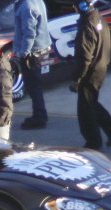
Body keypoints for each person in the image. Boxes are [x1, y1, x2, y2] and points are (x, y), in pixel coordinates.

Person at [70, 0, 111, 150]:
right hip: (100, 67)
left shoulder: (87, 23)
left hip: (90, 72)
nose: (74, 8)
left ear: (82, 6)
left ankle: (93, 143)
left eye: (75, 5)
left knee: (85, 110)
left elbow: (85, 56)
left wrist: (77, 79)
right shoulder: (98, 17)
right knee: (92, 103)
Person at [13, 0, 51, 129]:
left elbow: (29, 32)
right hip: (37, 50)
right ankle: (39, 115)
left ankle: (40, 117)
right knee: (34, 86)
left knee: (33, 86)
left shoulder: (27, 6)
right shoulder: (36, 2)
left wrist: (24, 52)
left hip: (32, 53)